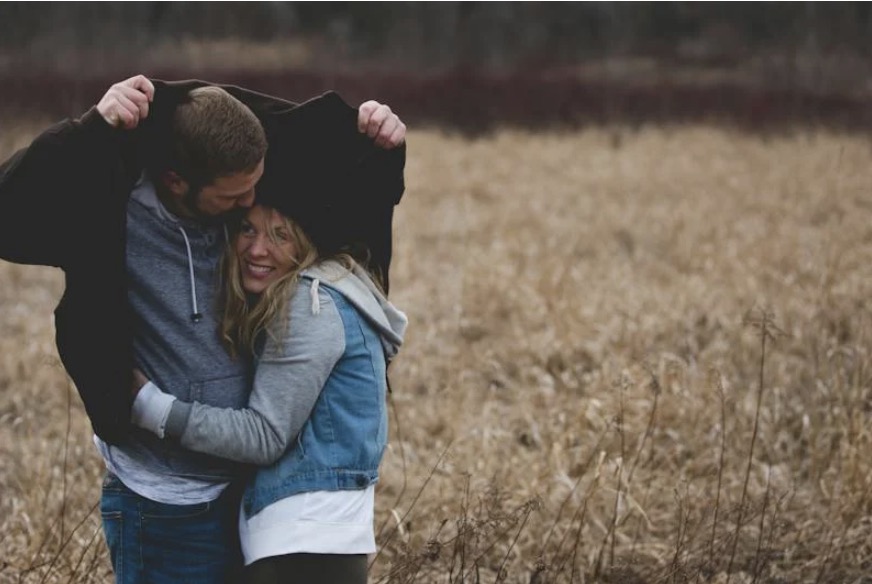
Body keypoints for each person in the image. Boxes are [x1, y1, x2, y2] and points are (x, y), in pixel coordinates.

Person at [0, 75, 406, 583]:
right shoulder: (110, 211)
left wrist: (384, 141)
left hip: (245, 494)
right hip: (164, 502)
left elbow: (341, 176)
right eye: (235, 198)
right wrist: (90, 130)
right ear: (176, 181)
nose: (250, 203)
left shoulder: (237, 186)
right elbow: (9, 209)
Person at [132, 97, 406, 583]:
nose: (258, 249)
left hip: (299, 541)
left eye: (281, 235)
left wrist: (148, 405)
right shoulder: (332, 292)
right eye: (247, 230)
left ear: (307, 242)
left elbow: (264, 435)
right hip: (318, 540)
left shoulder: (310, 302)